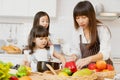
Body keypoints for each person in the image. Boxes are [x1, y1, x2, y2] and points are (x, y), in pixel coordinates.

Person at [70, 1, 113, 69]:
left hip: (103, 69)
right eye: (77, 18)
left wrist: (88, 59)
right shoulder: (77, 32)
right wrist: (74, 55)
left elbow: (105, 53)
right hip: (88, 70)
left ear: (91, 16)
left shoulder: (102, 29)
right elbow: (76, 50)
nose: (80, 21)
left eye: (84, 17)